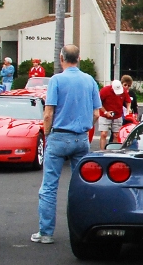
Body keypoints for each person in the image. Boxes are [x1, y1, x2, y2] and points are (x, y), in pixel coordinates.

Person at [33, 45, 101, 244]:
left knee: (49, 186)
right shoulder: (89, 81)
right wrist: (86, 127)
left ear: (61, 58)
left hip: (59, 136)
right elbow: (96, 113)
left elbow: (48, 113)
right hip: (81, 138)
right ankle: (83, 231)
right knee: (81, 186)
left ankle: (45, 232)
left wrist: (47, 134)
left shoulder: (56, 80)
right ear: (78, 58)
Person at [97, 75, 133, 146]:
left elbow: (128, 101)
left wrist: (128, 109)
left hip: (117, 115)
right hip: (105, 115)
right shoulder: (105, 90)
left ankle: (114, 151)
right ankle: (102, 151)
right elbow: (98, 103)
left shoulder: (123, 91)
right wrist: (105, 112)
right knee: (103, 134)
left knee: (116, 135)